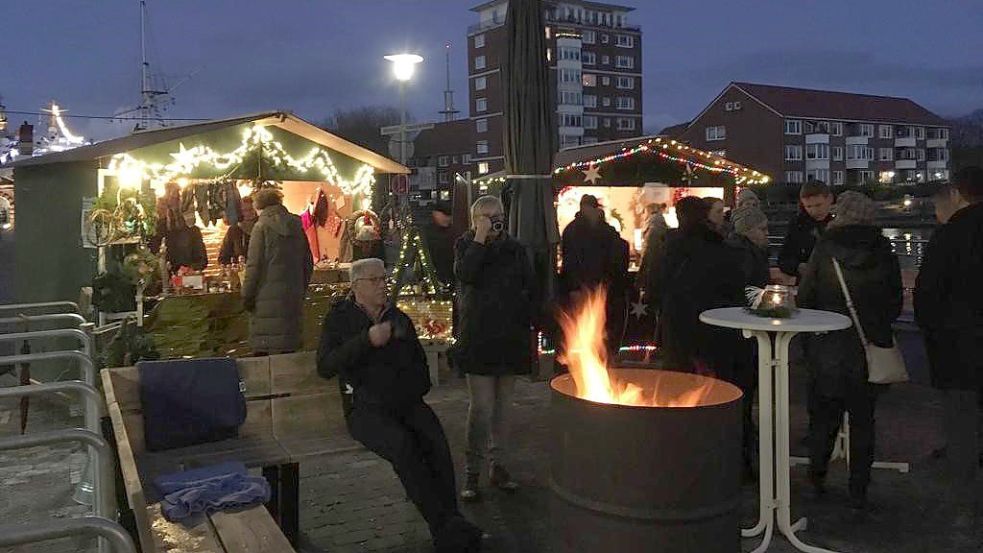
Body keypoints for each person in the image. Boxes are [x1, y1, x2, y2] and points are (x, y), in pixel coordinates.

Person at [316, 258, 483, 552]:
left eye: (384, 279)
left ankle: (452, 521)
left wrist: (413, 388)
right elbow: (326, 365)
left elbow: (419, 363)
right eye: (375, 280)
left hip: (404, 402)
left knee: (435, 442)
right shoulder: (340, 319)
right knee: (403, 446)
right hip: (364, 408)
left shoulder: (398, 318)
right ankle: (445, 528)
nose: (383, 285)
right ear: (356, 286)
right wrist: (366, 340)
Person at [797, 191, 902, 511]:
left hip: (827, 347)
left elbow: (806, 298)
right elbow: (894, 303)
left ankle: (817, 479)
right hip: (869, 349)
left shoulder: (825, 248)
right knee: (863, 422)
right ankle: (859, 488)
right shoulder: (885, 250)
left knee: (823, 419)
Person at [454, 196, 534, 502]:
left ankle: (499, 465)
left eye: (498, 216)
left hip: (509, 337)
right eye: (486, 217)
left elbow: (528, 284)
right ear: (474, 220)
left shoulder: (515, 248)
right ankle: (472, 472)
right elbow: (466, 274)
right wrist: (480, 239)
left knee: (503, 409)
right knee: (482, 408)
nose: (494, 221)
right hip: (478, 338)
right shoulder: (466, 245)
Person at [914, 167, 983, 516]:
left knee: (962, 420)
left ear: (956, 195)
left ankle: (966, 499)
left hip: (961, 346)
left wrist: (933, 333)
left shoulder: (950, 236)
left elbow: (928, 294)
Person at [654, 196, 743, 378]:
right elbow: (731, 285)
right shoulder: (718, 246)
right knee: (708, 381)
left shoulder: (667, 245)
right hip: (710, 321)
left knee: (677, 378)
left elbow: (655, 282)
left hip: (676, 320)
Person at [725, 206, 770, 478]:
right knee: (743, 395)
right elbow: (748, 292)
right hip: (745, 335)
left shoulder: (737, 251)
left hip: (738, 335)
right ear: (749, 230)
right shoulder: (746, 255)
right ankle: (743, 461)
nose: (767, 234)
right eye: (763, 229)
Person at [242, 188, 313, 355]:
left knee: (265, 362)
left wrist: (247, 296)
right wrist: (299, 290)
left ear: (259, 205)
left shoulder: (260, 228)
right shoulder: (297, 227)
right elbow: (308, 263)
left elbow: (254, 267)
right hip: (292, 301)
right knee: (288, 360)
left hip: (265, 303)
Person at [560, 194, 629, 350]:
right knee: (597, 329)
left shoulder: (571, 230)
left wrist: (572, 287)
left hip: (583, 287)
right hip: (600, 288)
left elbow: (569, 261)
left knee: (581, 330)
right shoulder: (605, 231)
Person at [778, 180, 833, 282]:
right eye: (808, 207)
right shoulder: (798, 224)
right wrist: (798, 266)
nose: (814, 211)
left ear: (830, 199)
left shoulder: (841, 221)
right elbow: (783, 258)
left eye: (818, 205)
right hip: (808, 282)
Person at [149, 197, 208, 275]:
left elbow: (202, 260)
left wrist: (190, 268)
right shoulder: (158, 231)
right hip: (167, 278)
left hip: (187, 278)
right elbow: (152, 255)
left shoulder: (192, 230)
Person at [422, 200, 456, 288]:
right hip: (433, 274)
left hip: (450, 276)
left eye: (449, 216)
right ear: (435, 213)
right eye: (444, 215)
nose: (447, 218)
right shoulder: (427, 232)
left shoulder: (453, 232)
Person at [638, 203, 669, 295]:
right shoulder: (661, 224)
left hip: (653, 272)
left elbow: (649, 253)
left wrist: (640, 277)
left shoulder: (653, 227)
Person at [218, 196, 257, 265]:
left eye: (250, 209)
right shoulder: (234, 230)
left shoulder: (262, 227)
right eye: (244, 210)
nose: (248, 213)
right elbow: (223, 256)